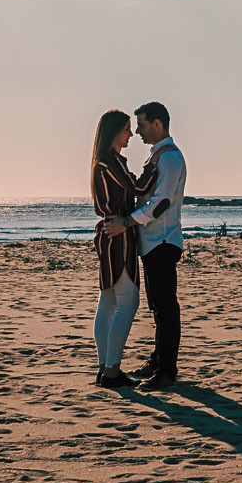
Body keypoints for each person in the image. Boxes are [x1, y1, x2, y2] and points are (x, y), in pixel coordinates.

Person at [103, 100, 186, 389]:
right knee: (158, 307)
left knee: (165, 307)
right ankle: (157, 360)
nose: (137, 131)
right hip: (152, 242)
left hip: (163, 240)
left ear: (158, 124)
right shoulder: (159, 155)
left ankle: (166, 371)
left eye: (141, 124)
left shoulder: (170, 158)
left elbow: (161, 203)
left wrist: (127, 222)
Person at [89, 109, 146, 390]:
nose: (131, 134)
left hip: (108, 236)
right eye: (126, 129)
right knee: (126, 303)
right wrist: (154, 167)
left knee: (108, 302)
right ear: (113, 132)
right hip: (119, 237)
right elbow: (138, 187)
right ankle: (111, 371)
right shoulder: (111, 163)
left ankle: (105, 368)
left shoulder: (101, 163)